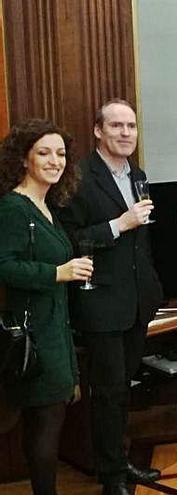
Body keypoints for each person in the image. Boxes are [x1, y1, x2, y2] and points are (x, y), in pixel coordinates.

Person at [58, 99, 163, 495]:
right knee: (107, 392)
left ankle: (121, 460)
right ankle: (111, 476)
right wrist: (118, 225)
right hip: (99, 302)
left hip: (137, 301)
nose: (126, 133)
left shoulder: (138, 174)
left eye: (131, 126)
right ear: (98, 131)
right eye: (116, 126)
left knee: (124, 388)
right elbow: (69, 240)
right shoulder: (78, 177)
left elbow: (145, 240)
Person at [0, 119, 93, 495]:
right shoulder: (13, 207)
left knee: (50, 422)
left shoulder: (48, 205)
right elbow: (3, 265)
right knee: (44, 426)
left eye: (60, 153)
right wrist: (57, 273)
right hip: (33, 333)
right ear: (24, 159)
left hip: (55, 329)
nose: (55, 160)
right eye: (44, 152)